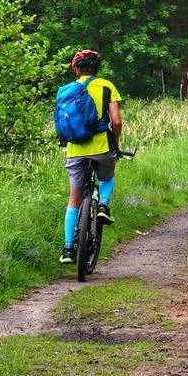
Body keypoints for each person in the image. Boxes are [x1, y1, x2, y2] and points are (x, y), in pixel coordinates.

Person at [59, 49, 122, 264]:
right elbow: (116, 121)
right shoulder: (106, 86)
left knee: (74, 199)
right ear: (97, 69)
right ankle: (103, 205)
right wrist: (116, 142)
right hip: (102, 147)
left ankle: (68, 249)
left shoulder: (65, 90)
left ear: (76, 69)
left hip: (75, 149)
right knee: (107, 176)